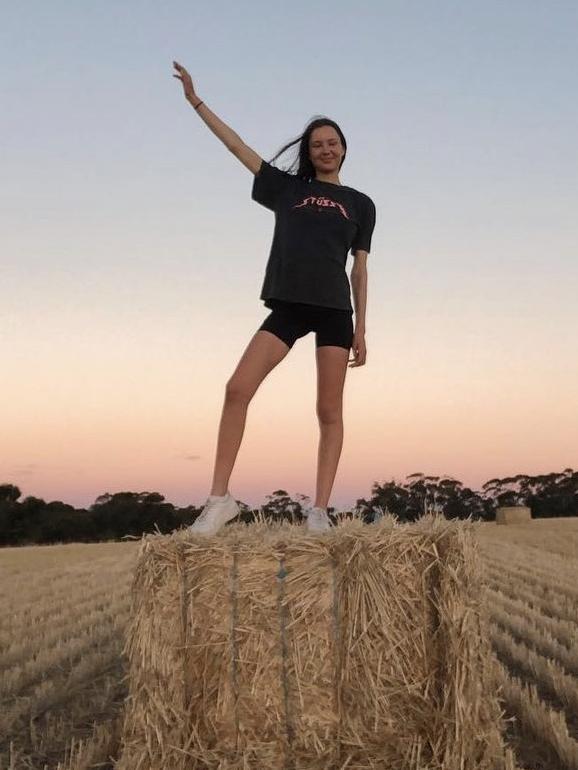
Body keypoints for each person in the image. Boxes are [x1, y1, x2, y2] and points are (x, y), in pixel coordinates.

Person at [172, 61, 376, 535]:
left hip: (333, 313)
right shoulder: (287, 189)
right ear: (308, 152)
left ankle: (320, 511)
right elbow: (236, 146)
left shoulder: (361, 204)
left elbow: (360, 268)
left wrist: (362, 329)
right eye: (317, 144)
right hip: (287, 305)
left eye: (332, 142)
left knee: (329, 412)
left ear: (344, 149)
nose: (325, 149)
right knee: (237, 389)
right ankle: (220, 501)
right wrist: (197, 102)